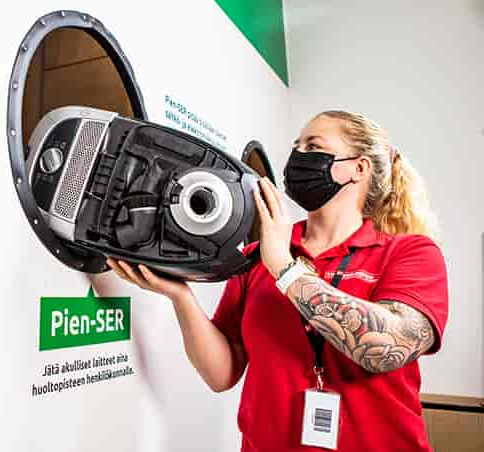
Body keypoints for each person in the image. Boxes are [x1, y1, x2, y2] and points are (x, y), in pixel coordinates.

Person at [107, 110, 449, 451]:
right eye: (296, 146)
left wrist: (285, 269)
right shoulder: (260, 254)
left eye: (313, 146)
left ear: (359, 168)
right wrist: (180, 296)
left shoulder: (410, 253)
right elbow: (221, 373)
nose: (298, 157)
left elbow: (387, 349)